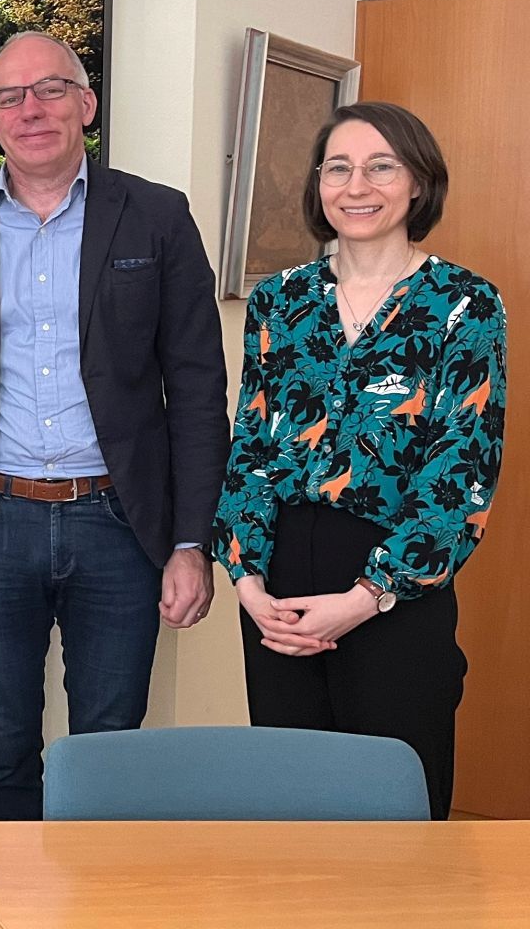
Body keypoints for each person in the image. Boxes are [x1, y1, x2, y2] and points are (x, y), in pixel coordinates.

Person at [0, 30, 228, 820]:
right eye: (8, 97)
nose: (30, 109)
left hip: (121, 524)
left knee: (107, 753)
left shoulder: (157, 217)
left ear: (86, 104)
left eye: (49, 90)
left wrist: (191, 543)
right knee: (2, 746)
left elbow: (196, 387)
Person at [215, 102, 505, 820]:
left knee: (394, 808)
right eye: (338, 168)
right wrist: (248, 583)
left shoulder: (463, 304)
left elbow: (461, 474)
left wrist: (362, 599)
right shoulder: (281, 301)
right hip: (279, 585)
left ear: (417, 183)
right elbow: (250, 446)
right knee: (292, 807)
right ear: (319, 185)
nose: (356, 185)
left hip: (395, 586)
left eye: (381, 166)